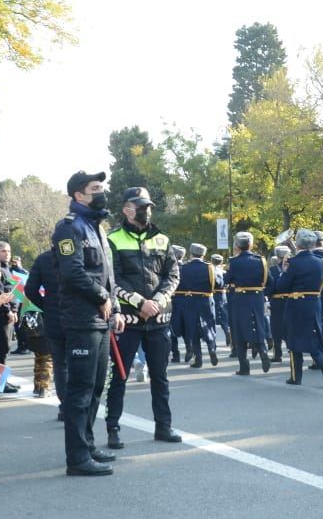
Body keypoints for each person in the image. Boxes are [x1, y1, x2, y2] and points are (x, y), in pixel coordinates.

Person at [52, 170, 122, 476]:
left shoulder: (97, 228)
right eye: (95, 189)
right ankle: (77, 458)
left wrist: (116, 308)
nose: (101, 193)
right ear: (78, 195)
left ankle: (88, 444)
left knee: (95, 388)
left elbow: (108, 276)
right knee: (79, 390)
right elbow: (73, 272)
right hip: (82, 320)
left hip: (102, 319)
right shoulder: (69, 228)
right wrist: (100, 298)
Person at [104, 186, 181, 450]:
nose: (147, 211)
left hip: (159, 319)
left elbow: (173, 275)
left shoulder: (162, 238)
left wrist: (157, 302)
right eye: (141, 206)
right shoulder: (112, 239)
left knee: (160, 376)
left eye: (148, 206)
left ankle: (164, 426)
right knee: (120, 376)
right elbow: (111, 279)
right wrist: (139, 302)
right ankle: (112, 428)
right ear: (127, 209)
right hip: (128, 320)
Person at [277, 229, 323, 386]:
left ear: (298, 244)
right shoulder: (320, 262)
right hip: (314, 302)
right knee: (313, 335)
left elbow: (282, 286)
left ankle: (296, 377)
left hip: (296, 303)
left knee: (293, 339)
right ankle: (322, 361)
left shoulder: (293, 263)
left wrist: (284, 271)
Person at [223, 232, 272, 375]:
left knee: (239, 331)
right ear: (251, 244)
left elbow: (227, 280)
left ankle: (244, 366)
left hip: (240, 298)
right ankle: (263, 352)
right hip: (257, 297)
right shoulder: (260, 260)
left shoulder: (234, 262)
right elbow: (269, 281)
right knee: (258, 325)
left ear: (237, 246)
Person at [25, 248, 67, 411]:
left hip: (54, 315)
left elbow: (30, 290)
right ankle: (78, 405)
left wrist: (46, 305)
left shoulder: (43, 259)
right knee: (77, 362)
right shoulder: (80, 253)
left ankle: (65, 406)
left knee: (60, 363)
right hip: (78, 315)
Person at [171, 243, 217, 368]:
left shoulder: (184, 268)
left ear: (191, 254)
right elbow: (217, 283)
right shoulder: (209, 267)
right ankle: (212, 348)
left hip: (190, 302)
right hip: (206, 301)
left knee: (194, 330)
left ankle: (199, 359)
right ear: (203, 255)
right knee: (209, 326)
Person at [0, 241, 21, 390]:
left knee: (4, 347)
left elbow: (13, 290)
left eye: (8, 251)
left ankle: (1, 381)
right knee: (1, 348)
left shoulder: (8, 268)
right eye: (3, 251)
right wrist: (8, 310)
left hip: (7, 312)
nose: (7, 254)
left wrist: (14, 309)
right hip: (0, 313)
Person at [266, 245, 290, 362]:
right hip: (290, 301)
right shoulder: (292, 268)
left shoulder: (272, 270)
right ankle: (292, 351)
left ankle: (278, 354)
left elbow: (269, 289)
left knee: (276, 328)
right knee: (290, 327)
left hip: (276, 302)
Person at [210, 253, 230, 348]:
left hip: (213, 294)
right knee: (223, 316)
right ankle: (227, 330)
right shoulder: (223, 272)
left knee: (212, 317)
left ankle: (212, 339)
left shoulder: (211, 271)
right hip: (223, 294)